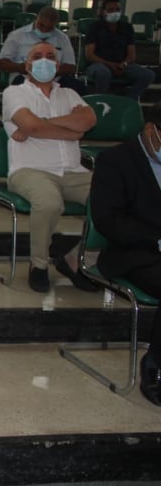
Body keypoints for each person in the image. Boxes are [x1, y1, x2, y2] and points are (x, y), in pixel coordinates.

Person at [2, 41, 97, 293]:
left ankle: (75, 260)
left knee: (118, 200)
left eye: (50, 56)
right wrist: (70, 131)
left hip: (74, 171)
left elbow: (88, 120)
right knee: (49, 203)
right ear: (27, 65)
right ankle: (39, 265)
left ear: (57, 65)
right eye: (37, 56)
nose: (44, 60)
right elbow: (30, 126)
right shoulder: (15, 93)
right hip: (30, 170)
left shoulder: (69, 94)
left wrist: (42, 124)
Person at [90, 108, 161, 406]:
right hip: (134, 253)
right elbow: (108, 221)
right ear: (150, 130)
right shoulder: (115, 161)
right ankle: (155, 367)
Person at [0, 7, 86, 95]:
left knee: (79, 88)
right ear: (37, 19)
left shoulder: (62, 38)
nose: (44, 30)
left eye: (49, 28)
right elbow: (1, 62)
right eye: (41, 25)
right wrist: (23, 68)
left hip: (55, 79)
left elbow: (70, 66)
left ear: (55, 25)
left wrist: (49, 72)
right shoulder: (17, 36)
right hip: (25, 78)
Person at [83, 0, 155, 99]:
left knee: (148, 75)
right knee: (103, 73)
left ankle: (128, 101)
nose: (114, 12)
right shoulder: (94, 27)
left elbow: (132, 55)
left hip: (123, 65)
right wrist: (109, 64)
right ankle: (100, 101)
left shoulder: (127, 27)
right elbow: (89, 55)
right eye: (110, 10)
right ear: (104, 12)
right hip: (99, 64)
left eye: (117, 9)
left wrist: (123, 64)